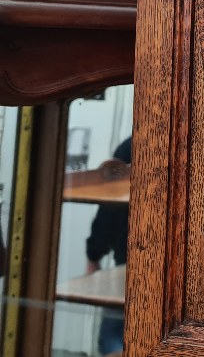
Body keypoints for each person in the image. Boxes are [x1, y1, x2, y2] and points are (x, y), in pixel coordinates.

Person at [86, 136, 131, 357]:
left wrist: (94, 254)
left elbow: (110, 210)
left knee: (113, 337)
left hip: (128, 264)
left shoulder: (133, 145)